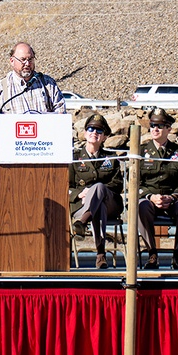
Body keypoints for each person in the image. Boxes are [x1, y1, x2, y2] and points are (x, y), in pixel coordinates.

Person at [137, 109, 178, 270]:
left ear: (169, 129)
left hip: (173, 200)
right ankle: (152, 253)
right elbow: (135, 182)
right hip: (150, 200)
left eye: (160, 126)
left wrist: (174, 197)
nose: (155, 129)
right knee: (140, 206)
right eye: (153, 125)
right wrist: (150, 196)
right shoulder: (141, 151)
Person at [69, 113, 123, 269]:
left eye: (99, 131)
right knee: (99, 208)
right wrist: (80, 193)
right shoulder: (74, 158)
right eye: (91, 129)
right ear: (85, 133)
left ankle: (83, 222)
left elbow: (118, 183)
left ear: (105, 137)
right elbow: (66, 186)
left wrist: (98, 192)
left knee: (99, 187)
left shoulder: (111, 158)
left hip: (110, 202)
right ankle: (101, 255)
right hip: (81, 204)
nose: (95, 133)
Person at [0, 41, 65, 127]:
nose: (27, 63)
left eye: (30, 59)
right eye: (23, 60)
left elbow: (61, 117)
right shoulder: (1, 88)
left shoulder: (48, 84)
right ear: (12, 61)